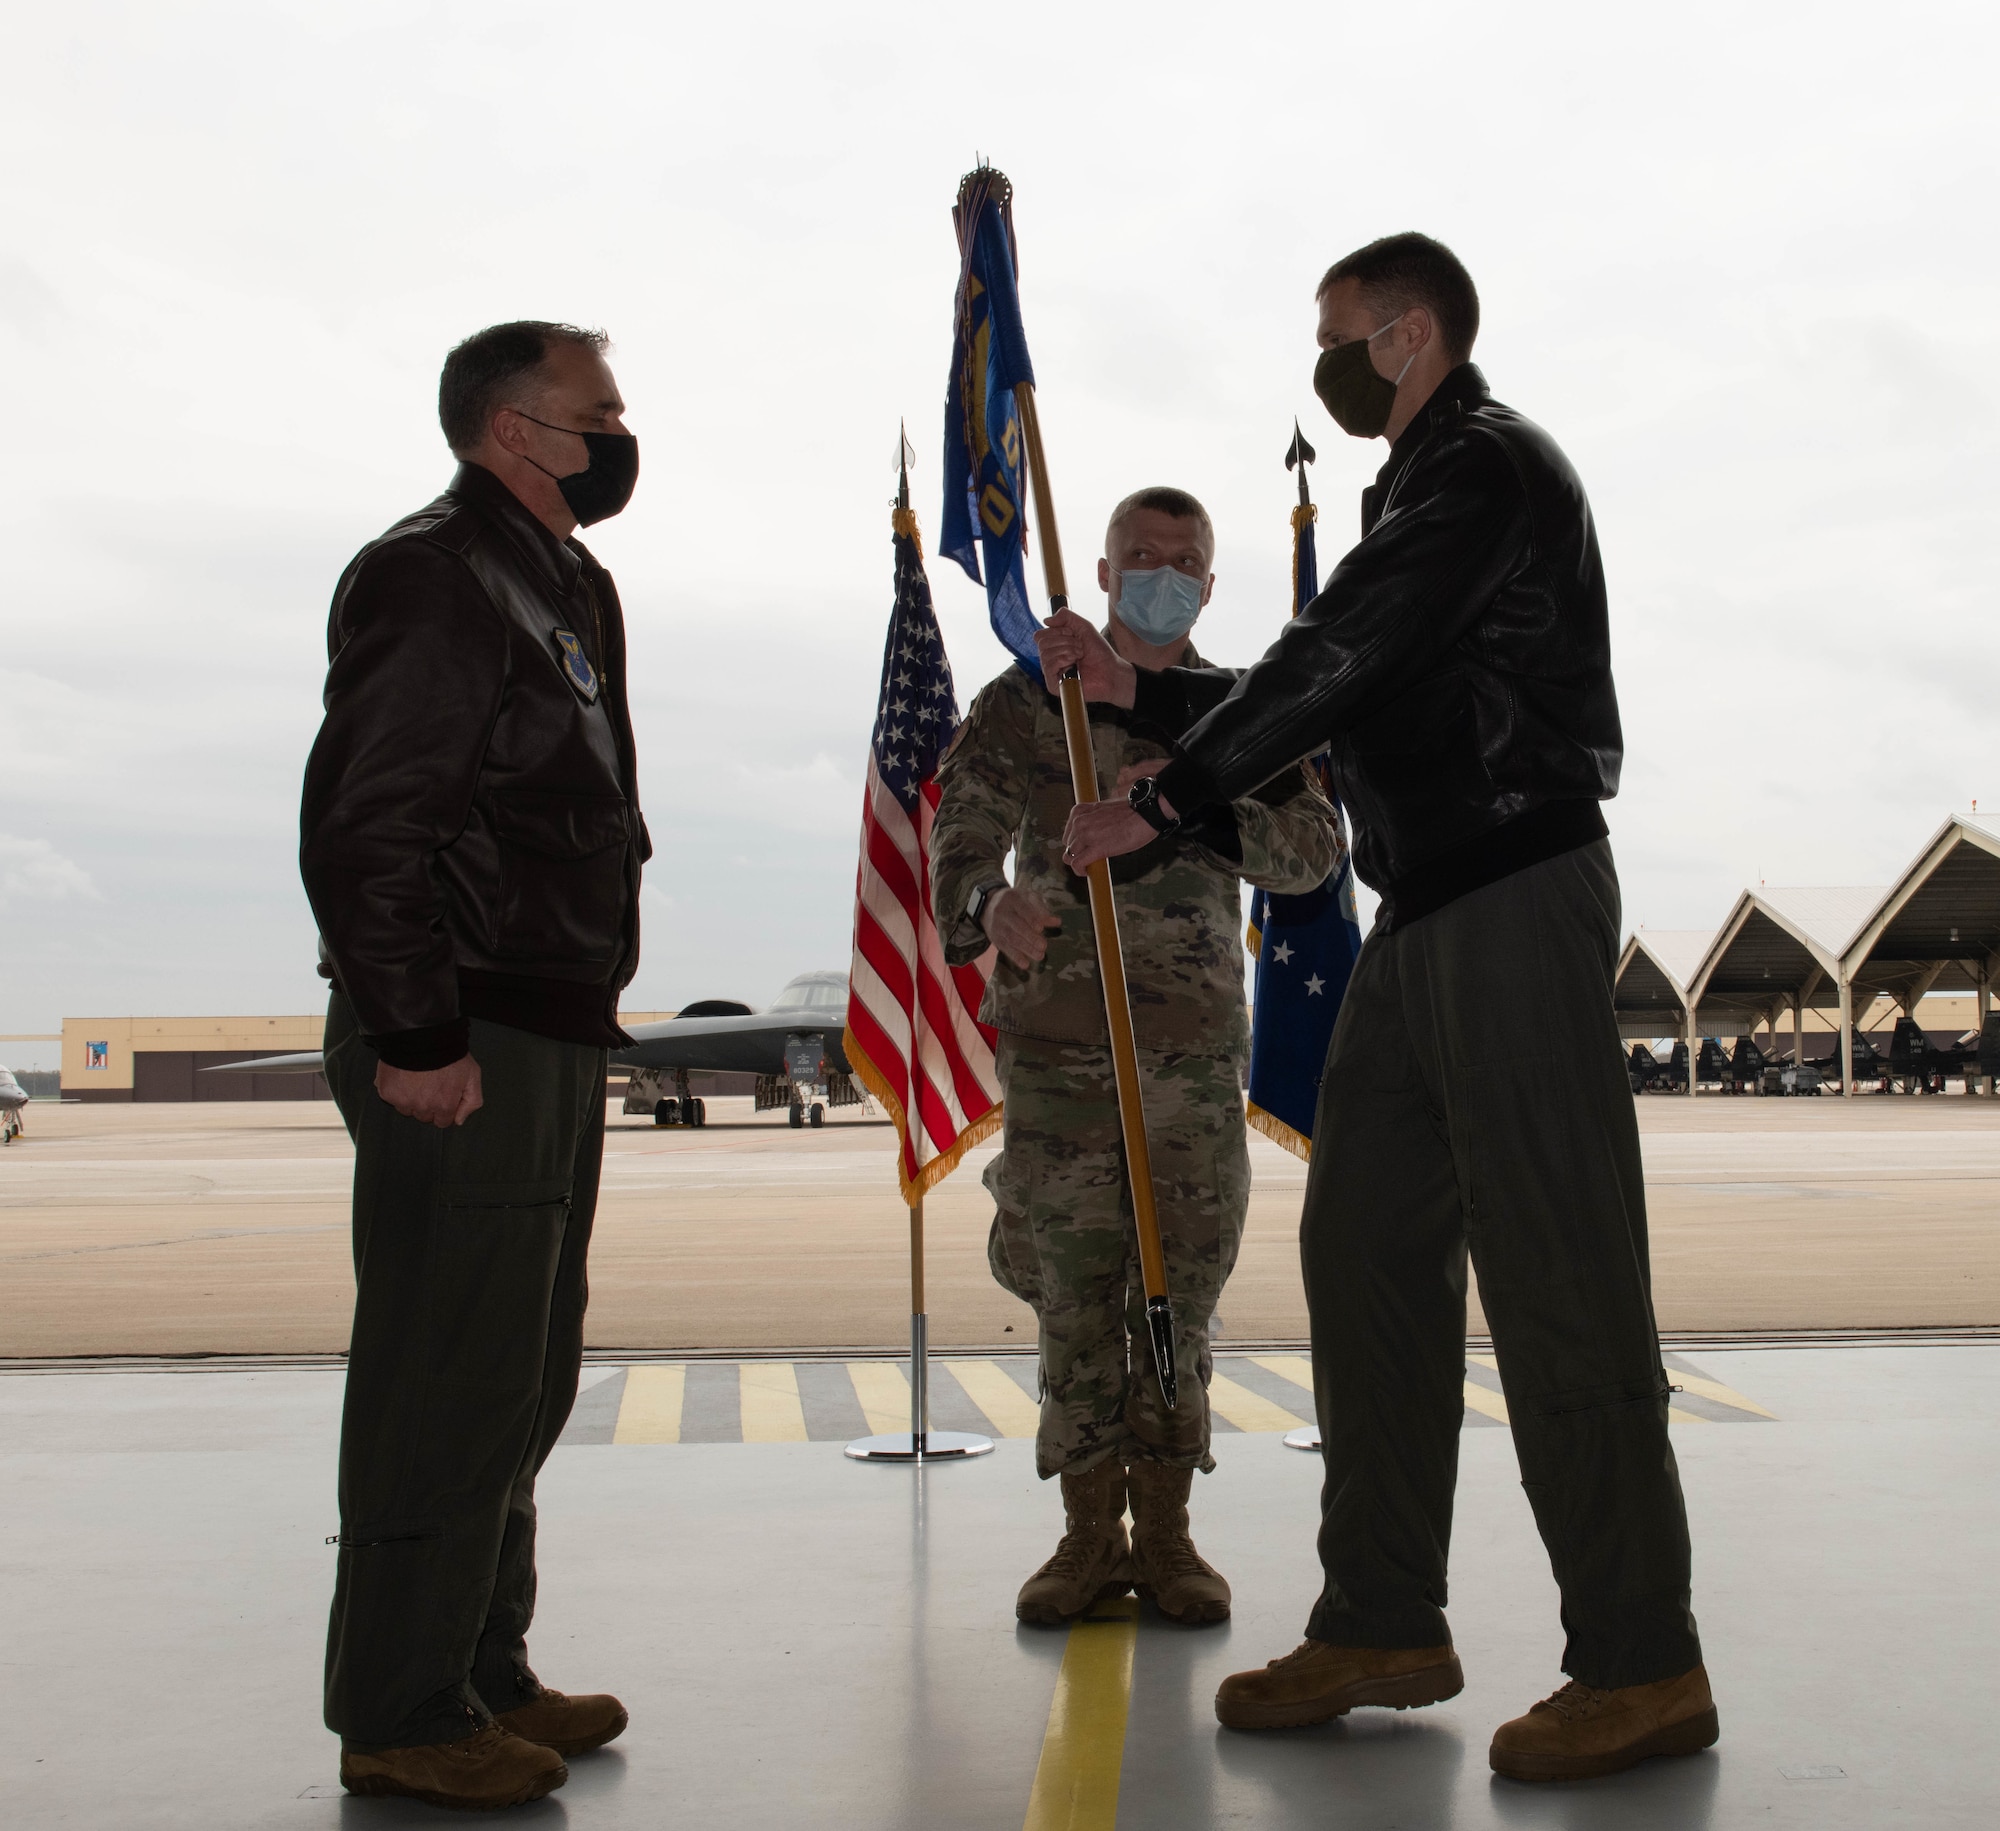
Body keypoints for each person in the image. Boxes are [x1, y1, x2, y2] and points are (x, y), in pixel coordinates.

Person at [1053, 235, 1716, 1784]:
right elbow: (1348, 677)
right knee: (1360, 1252)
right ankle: (1381, 1614)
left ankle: (1642, 1656)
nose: (1327, 362)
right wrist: (1155, 707)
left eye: (1339, 337)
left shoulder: (1482, 470)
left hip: (1512, 890)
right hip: (1418, 915)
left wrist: (1172, 788)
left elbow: (1343, 649)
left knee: (1559, 1273)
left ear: (1410, 337)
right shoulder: (1420, 492)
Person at [300, 321, 649, 1811]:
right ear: (514, 430)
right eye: (600, 413)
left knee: (521, 1368)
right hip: (470, 1029)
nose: (624, 436)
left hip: (548, 1020)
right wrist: (419, 1029)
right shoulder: (437, 571)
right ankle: (399, 1702)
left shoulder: (565, 576)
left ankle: (480, 1660)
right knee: (444, 1373)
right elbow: (371, 822)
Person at [932, 487, 1336, 1627]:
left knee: (1176, 1292)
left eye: (1183, 561)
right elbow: (959, 822)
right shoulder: (1029, 701)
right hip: (1059, 1054)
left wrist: (1191, 815)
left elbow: (1311, 851)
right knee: (1073, 1291)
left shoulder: (1243, 710)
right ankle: (1081, 1535)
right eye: (1139, 556)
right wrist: (986, 902)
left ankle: (1162, 1535)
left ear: (1209, 585)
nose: (1160, 573)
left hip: (1190, 1060)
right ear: (1102, 575)